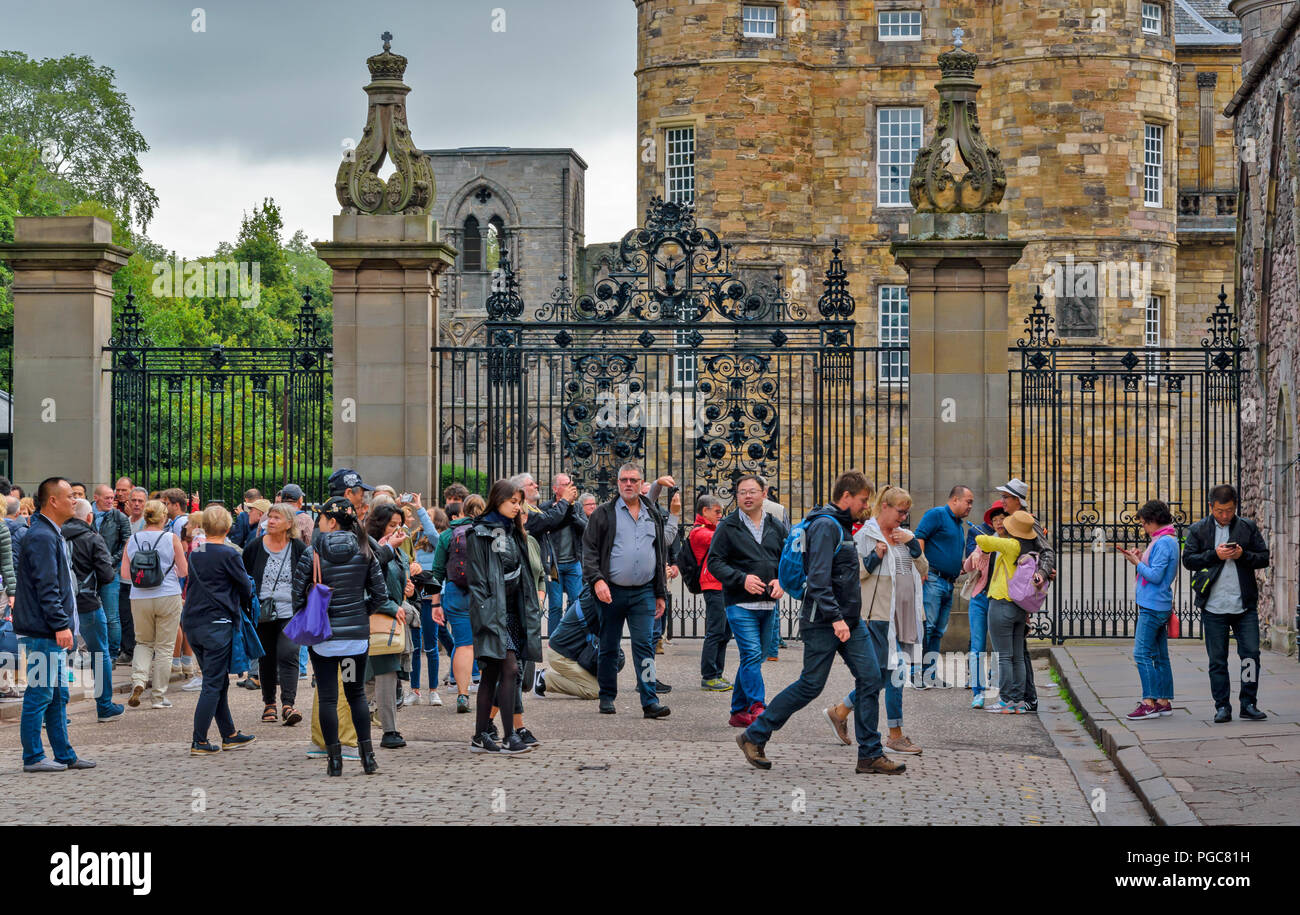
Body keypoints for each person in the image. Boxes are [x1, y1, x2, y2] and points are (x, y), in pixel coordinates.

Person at [737, 471, 904, 775]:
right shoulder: (827, 526)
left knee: (871, 678)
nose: (866, 506)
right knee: (810, 685)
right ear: (846, 497)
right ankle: (754, 735)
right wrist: (837, 618)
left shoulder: (838, 524)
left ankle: (870, 754)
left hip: (849, 622)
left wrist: (846, 619)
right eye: (863, 500)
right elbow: (818, 579)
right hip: (825, 621)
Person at [824, 485, 926, 755]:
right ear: (885, 507)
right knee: (887, 676)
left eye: (906, 513)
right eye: (900, 511)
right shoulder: (865, 535)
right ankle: (894, 734)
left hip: (904, 615)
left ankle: (841, 711)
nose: (903, 517)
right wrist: (874, 557)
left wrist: (913, 545)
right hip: (878, 616)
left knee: (886, 676)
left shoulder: (906, 536)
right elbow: (852, 573)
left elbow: (924, 570)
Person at [294, 496, 392, 775]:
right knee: (355, 695)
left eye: (321, 518)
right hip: (354, 639)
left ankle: (334, 760)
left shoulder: (312, 552)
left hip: (324, 638)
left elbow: (297, 595)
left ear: (332, 520)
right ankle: (368, 757)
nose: (318, 523)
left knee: (327, 697)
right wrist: (361, 613)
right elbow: (380, 594)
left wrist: (312, 616)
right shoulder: (364, 550)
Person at [13, 478, 96, 772]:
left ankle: (64, 754)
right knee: (40, 693)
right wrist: (61, 624)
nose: (74, 501)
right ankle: (33, 756)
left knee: (57, 694)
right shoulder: (42, 536)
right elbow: (46, 586)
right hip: (42, 631)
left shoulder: (50, 533)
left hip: (48, 629)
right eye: (69, 497)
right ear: (53, 501)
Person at [583, 462, 671, 718]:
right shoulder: (603, 513)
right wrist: (597, 580)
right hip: (611, 592)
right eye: (624, 480)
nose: (628, 484)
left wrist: (660, 592)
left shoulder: (652, 513)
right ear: (618, 483)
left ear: (641, 483)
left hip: (643, 592)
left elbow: (659, 553)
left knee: (645, 646)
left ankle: (650, 700)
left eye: (633, 480)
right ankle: (607, 696)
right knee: (609, 646)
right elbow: (588, 550)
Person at [465, 479, 543, 753]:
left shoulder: (512, 530)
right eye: (512, 501)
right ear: (497, 500)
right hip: (492, 612)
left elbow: (519, 572)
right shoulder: (480, 533)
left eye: (519, 502)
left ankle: (479, 735)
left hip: (512, 610)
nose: (517, 506)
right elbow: (478, 579)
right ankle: (510, 736)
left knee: (493, 674)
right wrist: (487, 613)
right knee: (509, 669)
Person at [1182, 484, 1270, 723]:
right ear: (1211, 507)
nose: (1224, 515)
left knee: (1251, 655)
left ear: (1236, 507)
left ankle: (1248, 703)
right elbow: (1188, 560)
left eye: (1229, 510)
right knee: (1217, 661)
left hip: (1244, 606)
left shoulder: (1247, 528)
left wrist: (1243, 555)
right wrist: (1215, 555)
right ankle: (1222, 706)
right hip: (1213, 607)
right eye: (1220, 511)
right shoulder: (1199, 530)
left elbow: (1264, 557)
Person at [705, 476, 788, 726]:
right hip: (739, 603)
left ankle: (738, 711)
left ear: (764, 493)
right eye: (742, 492)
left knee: (755, 657)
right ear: (737, 497)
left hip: (768, 604)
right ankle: (758, 705)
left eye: (752, 491)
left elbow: (789, 559)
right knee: (752, 654)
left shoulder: (775, 525)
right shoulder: (728, 526)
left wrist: (781, 581)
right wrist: (741, 579)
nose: (747, 496)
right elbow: (714, 562)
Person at [182, 505, 257, 755]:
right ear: (227, 528)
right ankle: (199, 739)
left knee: (217, 681)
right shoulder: (229, 554)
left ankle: (229, 734)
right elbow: (245, 586)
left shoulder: (197, 551)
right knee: (213, 684)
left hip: (193, 621)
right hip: (217, 623)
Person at [243, 503, 308, 725]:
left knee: (289, 653)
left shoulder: (298, 548)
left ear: (289, 524)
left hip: (291, 611)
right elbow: (245, 576)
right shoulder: (254, 547)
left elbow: (309, 576)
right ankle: (269, 703)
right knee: (267, 657)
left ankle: (288, 705)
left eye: (277, 518)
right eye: (270, 517)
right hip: (262, 612)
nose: (270, 521)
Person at [1116, 499, 1180, 721]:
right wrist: (1141, 558)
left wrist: (1136, 562)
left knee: (1141, 653)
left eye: (1144, 523)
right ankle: (1163, 701)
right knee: (1160, 655)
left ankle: (1149, 702)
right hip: (1159, 603)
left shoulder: (1163, 542)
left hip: (1153, 605)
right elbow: (1155, 569)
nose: (1143, 527)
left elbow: (1155, 576)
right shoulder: (1166, 539)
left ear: (1154, 521)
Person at [122, 499, 189, 710]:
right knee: (165, 647)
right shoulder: (171, 538)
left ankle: (139, 681)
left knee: (143, 642)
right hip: (167, 594)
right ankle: (158, 697)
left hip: (139, 596)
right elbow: (184, 570)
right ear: (164, 518)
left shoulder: (132, 539)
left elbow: (125, 574)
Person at [62, 498, 124, 723]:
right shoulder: (92, 538)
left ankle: (56, 712)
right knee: (100, 654)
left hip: (63, 605)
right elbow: (107, 575)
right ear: (89, 517)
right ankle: (104, 706)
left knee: (59, 657)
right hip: (87, 603)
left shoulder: (58, 535)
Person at [975, 509, 1041, 713]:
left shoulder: (1012, 545)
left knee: (1003, 655)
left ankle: (1006, 700)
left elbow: (982, 540)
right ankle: (1019, 702)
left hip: (1001, 601)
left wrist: (976, 529)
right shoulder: (1029, 548)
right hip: (1019, 606)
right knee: (1017, 656)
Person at [911, 485, 974, 688]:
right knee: (926, 628)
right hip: (932, 580)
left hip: (948, 583)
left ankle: (930, 675)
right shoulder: (937, 514)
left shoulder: (957, 524)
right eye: (968, 501)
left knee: (937, 631)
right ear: (955, 499)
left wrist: (960, 566)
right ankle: (915, 674)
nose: (970, 506)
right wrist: (921, 569)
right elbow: (919, 537)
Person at [429, 493, 485, 712]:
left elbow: (437, 573)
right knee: (485, 642)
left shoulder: (448, 535)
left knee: (463, 644)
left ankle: (462, 694)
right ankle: (490, 690)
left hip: (455, 592)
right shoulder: (492, 531)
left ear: (463, 511)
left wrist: (435, 604)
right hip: (484, 594)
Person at [364, 503, 413, 750]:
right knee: (373, 676)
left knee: (387, 675)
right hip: (375, 618)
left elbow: (395, 579)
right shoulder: (369, 546)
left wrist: (407, 588)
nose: (396, 530)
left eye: (399, 525)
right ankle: (386, 730)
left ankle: (389, 729)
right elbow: (369, 584)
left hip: (393, 618)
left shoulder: (397, 550)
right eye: (392, 525)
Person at [962, 501, 1007, 708]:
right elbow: (968, 566)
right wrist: (979, 553)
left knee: (999, 646)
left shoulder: (1013, 543)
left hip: (1000, 599)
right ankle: (977, 692)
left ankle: (998, 687)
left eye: (1002, 518)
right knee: (977, 645)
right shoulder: (987, 540)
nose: (999, 522)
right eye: (995, 519)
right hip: (980, 597)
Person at [688, 494, 732, 692]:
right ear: (704, 511)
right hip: (712, 585)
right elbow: (727, 542)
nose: (720, 516)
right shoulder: (700, 533)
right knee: (715, 631)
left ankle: (717, 673)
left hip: (722, 585)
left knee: (724, 632)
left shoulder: (713, 530)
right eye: (717, 512)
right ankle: (709, 675)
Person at [534, 473, 586, 637]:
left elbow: (586, 528)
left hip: (573, 562)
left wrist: (571, 513)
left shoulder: (576, 507)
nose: (570, 487)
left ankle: (572, 635)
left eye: (571, 484)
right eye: (565, 484)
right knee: (555, 604)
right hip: (554, 564)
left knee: (576, 601)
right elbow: (547, 527)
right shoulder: (545, 507)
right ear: (555, 488)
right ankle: (554, 639)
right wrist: (562, 508)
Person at [92, 484, 131, 664]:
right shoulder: (87, 515)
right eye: (106, 497)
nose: (110, 501)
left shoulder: (119, 517)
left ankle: (112, 654)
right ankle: (94, 651)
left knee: (111, 615)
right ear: (96, 497)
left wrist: (110, 561)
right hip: (88, 572)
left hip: (111, 571)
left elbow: (126, 543)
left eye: (111, 497)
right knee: (89, 614)